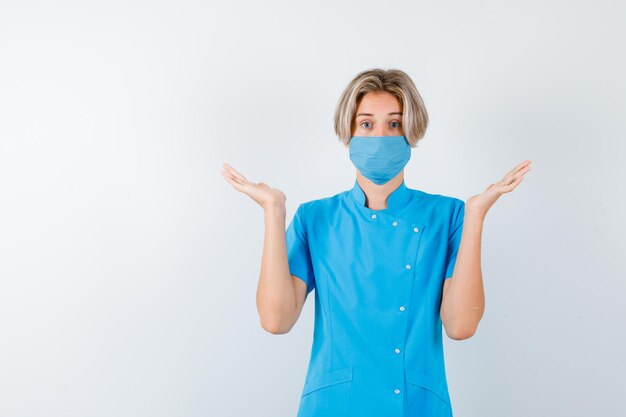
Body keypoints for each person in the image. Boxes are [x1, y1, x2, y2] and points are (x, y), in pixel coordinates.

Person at [221, 68, 531, 417]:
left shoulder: (448, 216)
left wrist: (476, 216)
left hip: (416, 406)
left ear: (411, 132)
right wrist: (273, 211)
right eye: (366, 124)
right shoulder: (315, 218)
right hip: (334, 405)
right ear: (348, 133)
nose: (380, 136)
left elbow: (461, 326)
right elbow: (276, 320)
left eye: (394, 124)